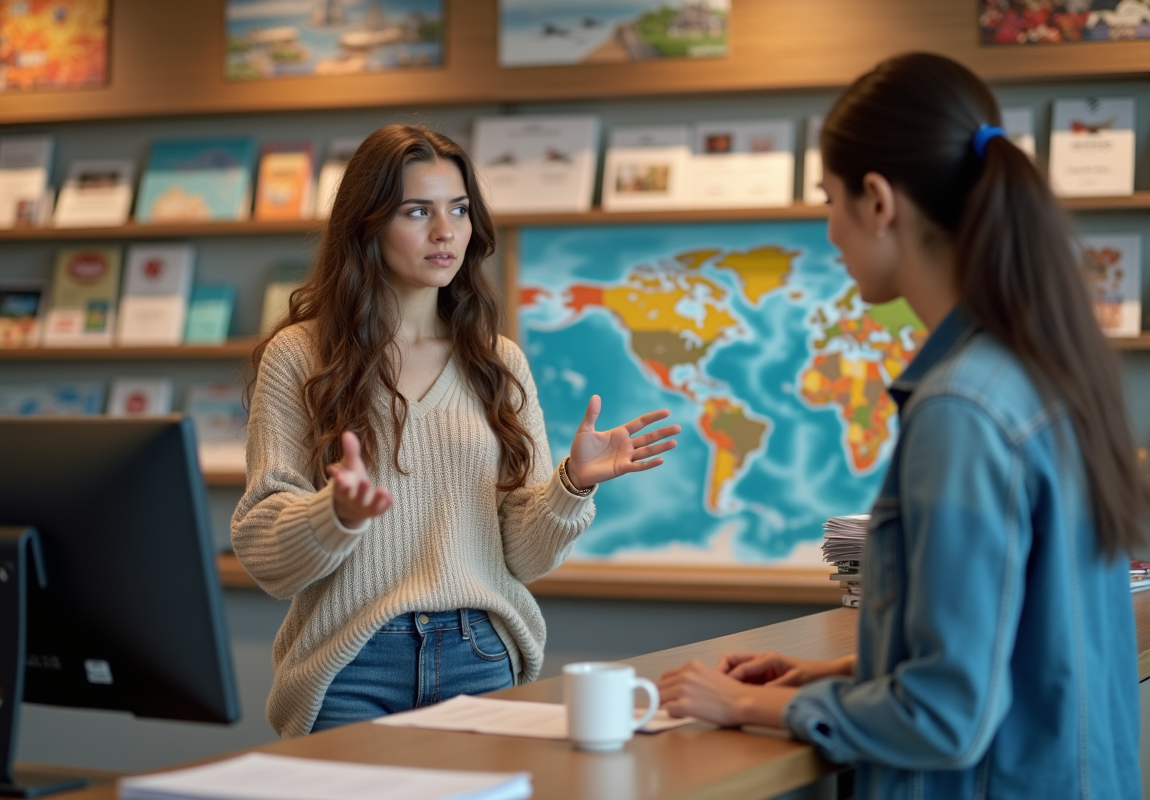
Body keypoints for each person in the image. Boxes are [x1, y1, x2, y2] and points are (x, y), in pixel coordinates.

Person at [657, 52, 1149, 799]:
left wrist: (753, 704)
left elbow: (947, 716)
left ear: (879, 201)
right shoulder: (1045, 372)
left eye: (829, 200)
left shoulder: (961, 410)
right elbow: (1021, 641)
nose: (828, 233)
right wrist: (836, 671)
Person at [232, 123, 680, 739]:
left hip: (480, 655)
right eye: (417, 211)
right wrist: (333, 514)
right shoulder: (300, 357)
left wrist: (570, 486)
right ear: (367, 223)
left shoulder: (498, 362)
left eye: (460, 210)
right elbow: (264, 554)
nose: (446, 232)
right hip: (352, 663)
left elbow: (522, 558)